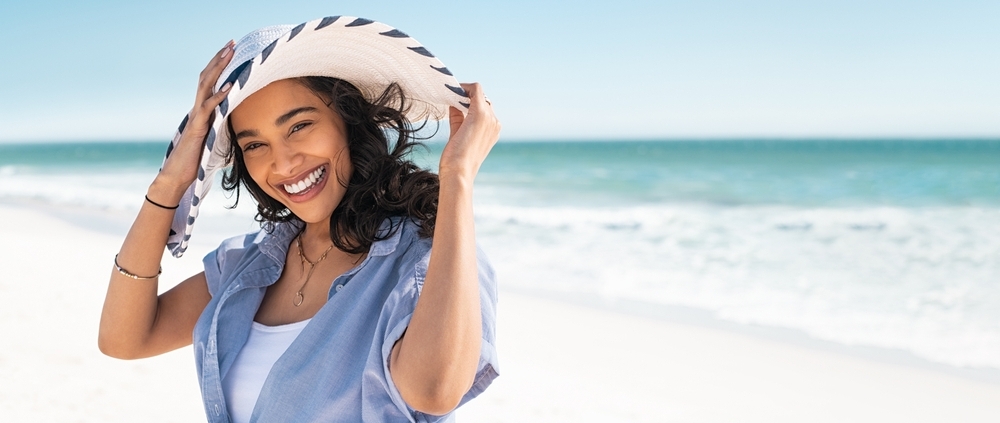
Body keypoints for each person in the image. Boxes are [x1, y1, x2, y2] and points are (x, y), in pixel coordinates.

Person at [98, 16, 500, 422]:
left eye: (300, 125)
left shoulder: (428, 261)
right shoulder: (244, 265)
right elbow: (123, 339)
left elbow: (433, 391)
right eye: (254, 145)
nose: (284, 163)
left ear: (348, 119)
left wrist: (458, 179)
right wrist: (171, 182)